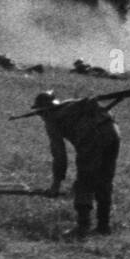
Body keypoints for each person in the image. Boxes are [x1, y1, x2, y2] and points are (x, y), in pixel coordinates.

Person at [31, 91, 122, 238]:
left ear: (43, 111)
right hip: (113, 132)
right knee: (105, 180)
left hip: (91, 137)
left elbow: (59, 154)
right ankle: (103, 226)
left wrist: (56, 184)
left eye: (40, 113)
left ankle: (83, 227)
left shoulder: (52, 119)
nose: (41, 116)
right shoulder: (73, 105)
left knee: (84, 182)